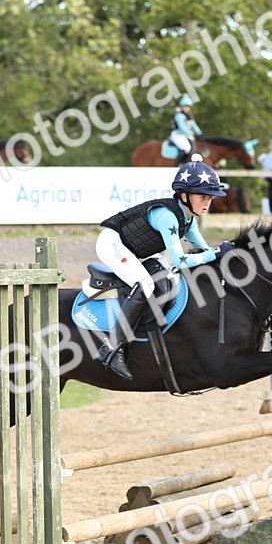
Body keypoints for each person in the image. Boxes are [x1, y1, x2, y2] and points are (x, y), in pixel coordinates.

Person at [94, 154, 230, 379]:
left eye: (210, 197)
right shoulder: (168, 217)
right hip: (111, 244)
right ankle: (112, 348)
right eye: (203, 196)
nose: (208, 202)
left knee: (169, 277)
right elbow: (182, 260)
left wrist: (225, 255)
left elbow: (205, 252)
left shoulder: (189, 219)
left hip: (135, 249)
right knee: (145, 284)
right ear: (184, 196)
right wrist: (215, 252)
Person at [169, 95, 204, 165]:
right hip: (178, 134)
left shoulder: (189, 116)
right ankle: (179, 164)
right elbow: (182, 128)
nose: (187, 108)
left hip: (186, 135)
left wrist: (200, 134)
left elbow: (194, 126)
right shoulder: (179, 116)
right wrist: (191, 134)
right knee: (187, 148)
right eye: (185, 106)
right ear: (182, 107)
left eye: (188, 107)